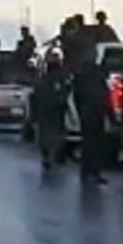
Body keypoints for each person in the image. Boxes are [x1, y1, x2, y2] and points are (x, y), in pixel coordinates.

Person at [72, 49, 110, 185]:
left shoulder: (80, 73)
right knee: (94, 144)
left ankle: (88, 173)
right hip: (95, 111)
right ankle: (93, 172)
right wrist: (108, 112)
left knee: (89, 143)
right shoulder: (97, 73)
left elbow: (77, 95)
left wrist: (79, 110)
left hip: (88, 111)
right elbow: (105, 94)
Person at [32, 51, 70, 169]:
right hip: (55, 109)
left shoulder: (45, 79)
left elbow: (36, 95)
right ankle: (53, 154)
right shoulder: (60, 78)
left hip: (48, 110)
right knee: (55, 133)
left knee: (47, 133)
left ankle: (49, 155)